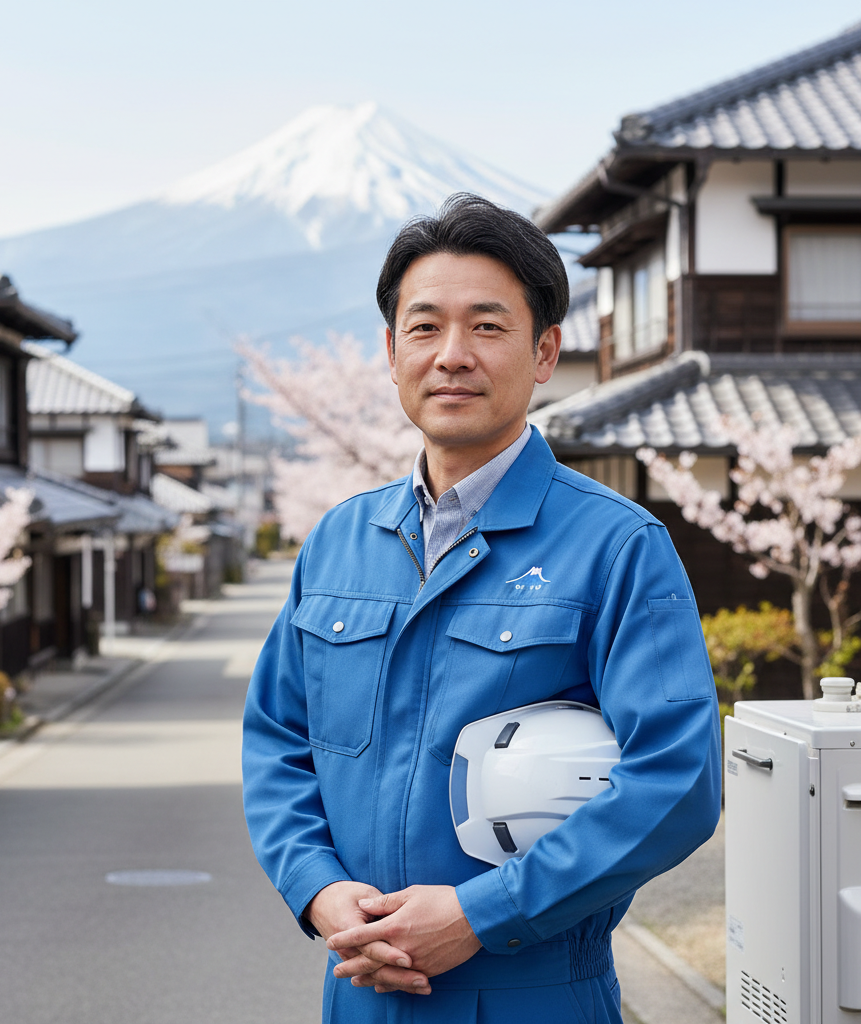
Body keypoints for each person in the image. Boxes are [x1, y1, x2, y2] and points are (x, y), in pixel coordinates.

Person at [242, 193, 721, 1023]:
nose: (452, 355)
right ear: (391, 353)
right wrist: (318, 892)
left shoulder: (616, 546)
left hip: (535, 993)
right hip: (359, 990)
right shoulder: (338, 542)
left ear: (544, 353)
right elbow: (279, 741)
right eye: (424, 328)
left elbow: (677, 780)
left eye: (487, 327)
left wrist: (480, 914)